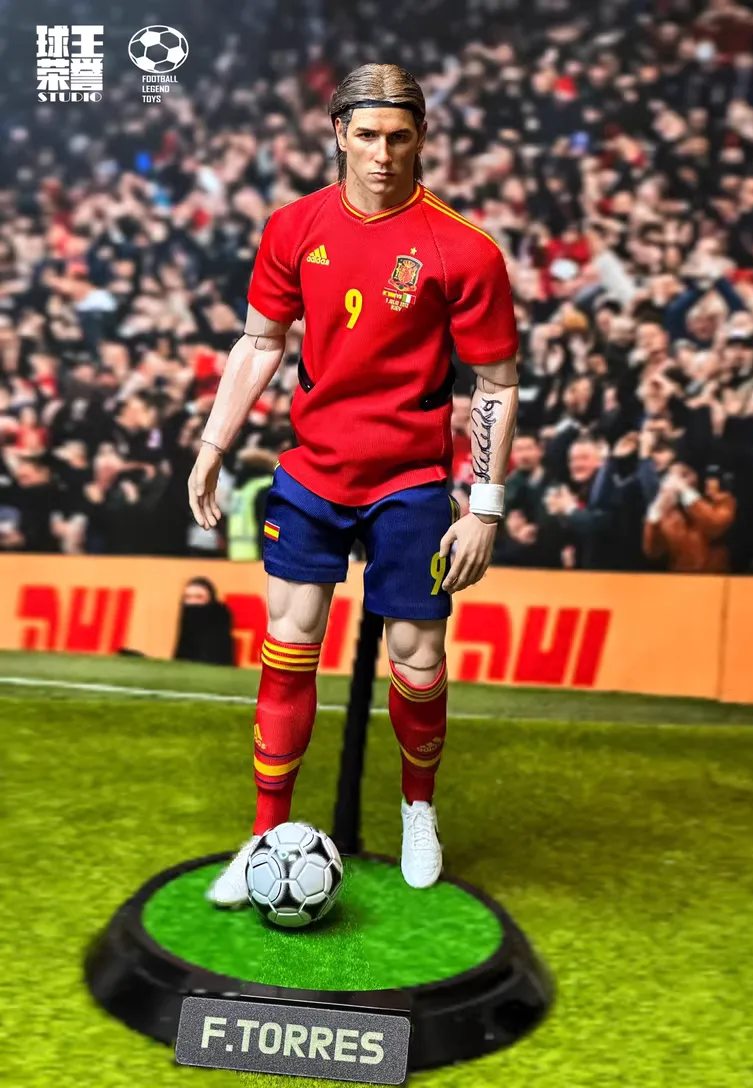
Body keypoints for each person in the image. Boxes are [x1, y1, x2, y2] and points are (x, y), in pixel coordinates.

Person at [187, 63, 519, 903]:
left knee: (418, 659)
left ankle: (418, 809)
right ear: (338, 133)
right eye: (367, 135)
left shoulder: (465, 248)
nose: (382, 153)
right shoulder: (293, 227)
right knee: (288, 646)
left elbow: (496, 384)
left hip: (412, 482)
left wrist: (484, 506)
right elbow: (260, 342)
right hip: (312, 473)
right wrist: (213, 442)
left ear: (422, 138)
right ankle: (263, 836)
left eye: (399, 137)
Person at [173, 578, 235, 666]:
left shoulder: (219, 616)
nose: (192, 602)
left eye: (199, 597)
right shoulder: (186, 616)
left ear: (210, 598)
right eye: (187, 597)